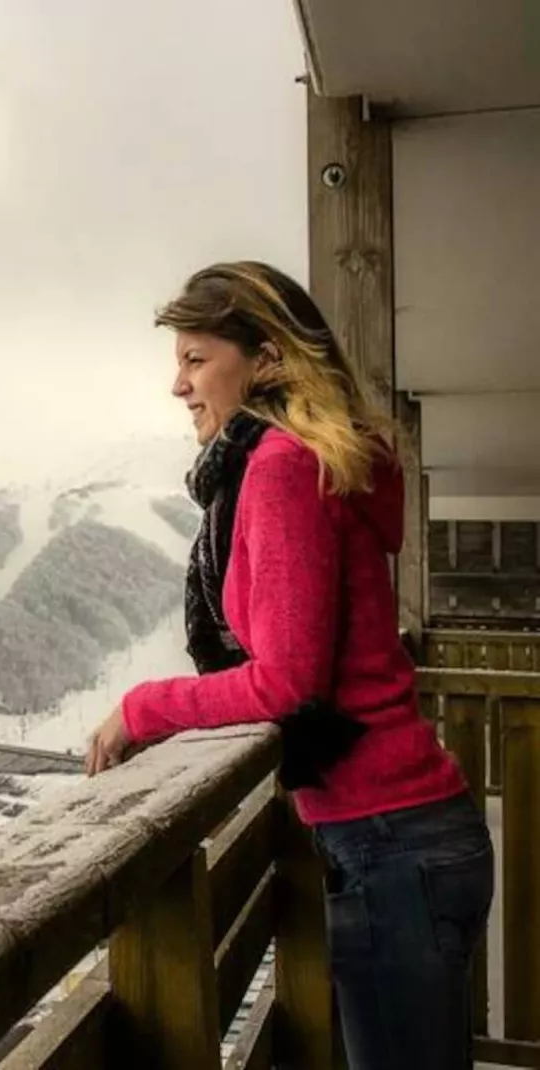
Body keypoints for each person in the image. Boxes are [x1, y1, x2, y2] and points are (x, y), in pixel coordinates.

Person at [85, 261, 494, 1069]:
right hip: (409, 835)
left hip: (388, 841)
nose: (178, 385)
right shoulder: (306, 461)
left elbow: (286, 682)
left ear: (267, 358)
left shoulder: (278, 467)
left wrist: (141, 708)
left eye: (196, 359)